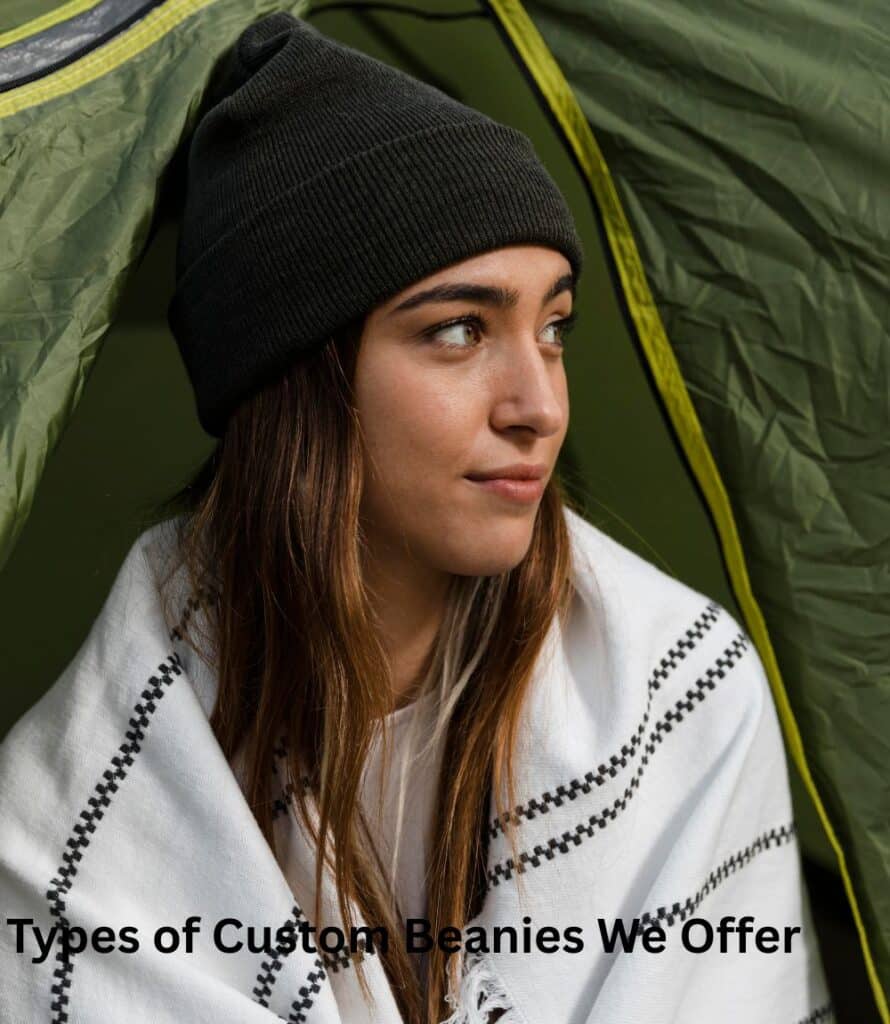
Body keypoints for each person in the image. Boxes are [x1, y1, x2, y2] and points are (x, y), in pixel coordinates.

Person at [0, 12, 832, 1024]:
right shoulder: (65, 816)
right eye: (456, 330)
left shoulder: (675, 696)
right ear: (296, 374)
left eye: (554, 327)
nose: (538, 405)